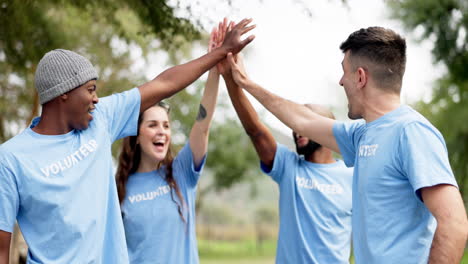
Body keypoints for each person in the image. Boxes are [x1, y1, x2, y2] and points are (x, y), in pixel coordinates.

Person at [0, 18, 255, 264]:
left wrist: (220, 52)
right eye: (90, 90)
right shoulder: (11, 159)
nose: (97, 98)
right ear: (63, 94)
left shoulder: (101, 120)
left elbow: (164, 83)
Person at [226, 27, 468, 263]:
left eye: (344, 72)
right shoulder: (361, 135)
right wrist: (245, 83)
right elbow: (303, 119)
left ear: (360, 77)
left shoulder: (412, 132)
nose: (341, 82)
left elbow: (454, 224)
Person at [219, 54, 353, 263]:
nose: (297, 130)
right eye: (295, 126)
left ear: (326, 130)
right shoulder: (288, 166)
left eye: (305, 125)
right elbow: (255, 130)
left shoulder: (353, 175)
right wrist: (230, 79)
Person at [115, 25, 224, 264]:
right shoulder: (118, 190)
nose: (162, 132)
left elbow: (202, 125)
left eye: (166, 125)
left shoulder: (180, 172)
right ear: (136, 133)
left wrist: (214, 67)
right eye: (153, 125)